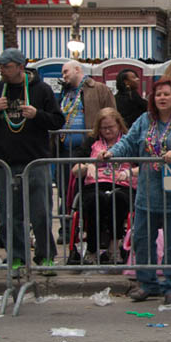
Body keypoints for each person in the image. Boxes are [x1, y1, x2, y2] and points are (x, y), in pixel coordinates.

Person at [102, 79, 171, 305]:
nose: (162, 98)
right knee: (141, 240)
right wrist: (112, 153)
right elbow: (128, 142)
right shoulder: (144, 121)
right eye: (158, 94)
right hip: (148, 192)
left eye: (166, 94)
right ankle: (147, 284)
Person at [0, 48, 65, 275]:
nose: (1, 70)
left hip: (36, 160)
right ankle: (16, 258)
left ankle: (45, 257)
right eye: (0, 66)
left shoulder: (41, 90)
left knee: (41, 212)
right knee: (10, 213)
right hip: (6, 160)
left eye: (6, 66)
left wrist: (38, 115)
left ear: (19, 67)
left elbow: (57, 121)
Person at [69, 107, 137, 265]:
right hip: (95, 185)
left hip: (123, 184)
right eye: (103, 127)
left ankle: (115, 246)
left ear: (119, 125)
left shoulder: (129, 141)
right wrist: (88, 165)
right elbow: (74, 170)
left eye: (111, 127)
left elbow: (143, 167)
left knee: (117, 198)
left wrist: (128, 173)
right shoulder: (91, 142)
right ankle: (92, 249)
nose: (107, 130)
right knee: (96, 200)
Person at [59, 61, 116, 157]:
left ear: (77, 70)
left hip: (91, 150)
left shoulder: (100, 89)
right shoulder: (65, 93)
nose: (64, 76)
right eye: (63, 74)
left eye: (66, 72)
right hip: (65, 150)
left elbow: (113, 116)